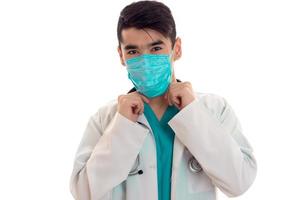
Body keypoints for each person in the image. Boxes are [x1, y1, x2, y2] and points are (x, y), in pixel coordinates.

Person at [69, 1, 257, 200]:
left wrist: (194, 114)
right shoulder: (106, 119)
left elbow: (239, 182)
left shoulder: (214, 109)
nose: (145, 61)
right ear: (121, 56)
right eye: (133, 51)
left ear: (176, 48)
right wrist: (122, 127)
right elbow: (84, 193)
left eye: (156, 48)